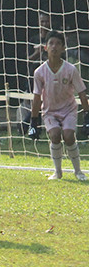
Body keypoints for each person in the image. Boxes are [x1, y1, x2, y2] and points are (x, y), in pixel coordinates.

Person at [28, 30, 89, 180]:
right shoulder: (39, 72)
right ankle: (58, 172)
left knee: (69, 136)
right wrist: (33, 121)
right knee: (55, 135)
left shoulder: (71, 69)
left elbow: (82, 93)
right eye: (51, 43)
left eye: (58, 44)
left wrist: (87, 115)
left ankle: (78, 171)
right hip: (50, 111)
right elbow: (37, 97)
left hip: (68, 109)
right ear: (45, 47)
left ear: (63, 48)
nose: (54, 47)